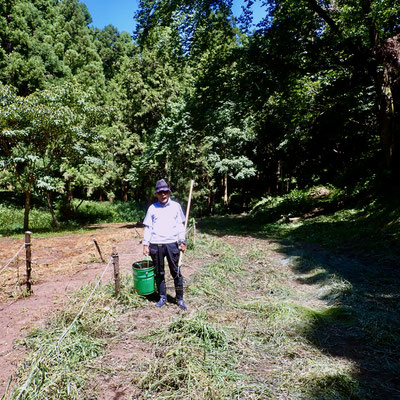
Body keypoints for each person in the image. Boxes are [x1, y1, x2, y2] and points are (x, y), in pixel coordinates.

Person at [142, 179, 187, 310]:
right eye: (160, 192)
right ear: (156, 194)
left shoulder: (176, 206)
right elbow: (148, 228)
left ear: (169, 193)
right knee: (159, 272)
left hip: (172, 244)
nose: (163, 195)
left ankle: (179, 299)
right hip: (156, 245)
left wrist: (182, 241)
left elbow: (180, 225)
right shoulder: (152, 208)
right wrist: (146, 244)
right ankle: (162, 297)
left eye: (165, 192)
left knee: (176, 271)